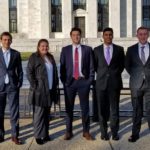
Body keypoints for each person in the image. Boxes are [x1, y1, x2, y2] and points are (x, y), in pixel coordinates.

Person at [60, 27, 95, 140]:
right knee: (68, 108)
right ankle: (68, 131)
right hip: (70, 83)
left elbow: (91, 66)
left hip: (83, 82)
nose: (76, 36)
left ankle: (86, 131)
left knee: (85, 108)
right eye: (74, 35)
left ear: (81, 36)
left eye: (78, 35)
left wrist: (89, 80)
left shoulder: (88, 49)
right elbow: (62, 68)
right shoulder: (65, 50)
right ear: (71, 36)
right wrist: (65, 82)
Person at [94, 27, 125, 141]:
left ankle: (115, 132)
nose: (108, 36)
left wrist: (113, 75)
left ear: (112, 36)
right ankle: (104, 132)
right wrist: (104, 75)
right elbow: (95, 66)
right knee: (102, 110)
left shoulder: (119, 49)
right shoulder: (96, 50)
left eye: (110, 34)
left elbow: (121, 66)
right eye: (106, 35)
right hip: (101, 84)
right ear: (103, 36)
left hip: (114, 83)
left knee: (114, 109)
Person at [27, 39, 58, 145]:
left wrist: (56, 85)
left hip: (49, 90)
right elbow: (29, 73)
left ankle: (45, 134)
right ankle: (38, 135)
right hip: (39, 91)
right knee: (39, 115)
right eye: (42, 46)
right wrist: (35, 86)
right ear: (38, 47)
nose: (45, 48)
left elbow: (54, 73)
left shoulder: (50, 57)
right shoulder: (34, 57)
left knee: (46, 115)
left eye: (46, 46)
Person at [125, 26, 150, 142]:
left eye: (145, 34)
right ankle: (135, 134)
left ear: (148, 35)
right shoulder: (131, 49)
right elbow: (127, 65)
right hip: (136, 84)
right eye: (141, 34)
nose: (143, 36)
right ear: (137, 35)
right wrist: (137, 76)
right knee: (136, 110)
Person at [0, 32, 23, 144]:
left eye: (9, 39)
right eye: (4, 39)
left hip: (12, 86)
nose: (7, 41)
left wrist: (19, 83)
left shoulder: (16, 54)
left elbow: (20, 70)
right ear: (1, 40)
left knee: (14, 112)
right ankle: (0, 134)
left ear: (11, 41)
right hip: (0, 87)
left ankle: (15, 135)